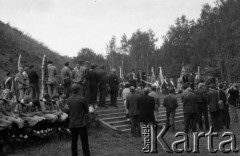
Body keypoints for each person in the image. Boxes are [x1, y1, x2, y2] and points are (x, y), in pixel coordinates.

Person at [67, 84, 90, 156]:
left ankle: (74, 154)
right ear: (79, 90)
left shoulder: (68, 99)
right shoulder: (82, 99)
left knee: (74, 141)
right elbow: (86, 111)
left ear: (72, 90)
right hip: (81, 123)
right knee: (84, 141)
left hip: (72, 123)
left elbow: (67, 110)